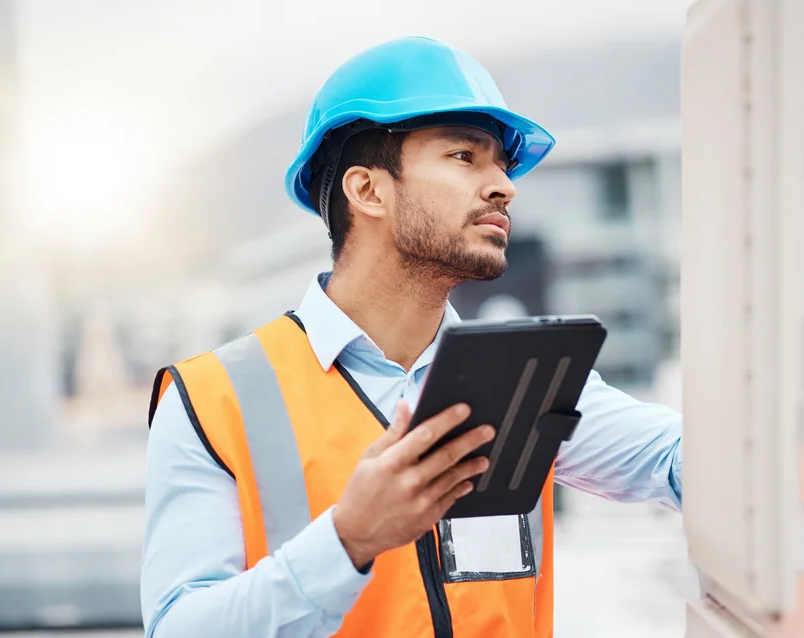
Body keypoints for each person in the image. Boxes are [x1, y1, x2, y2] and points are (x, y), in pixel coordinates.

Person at [141, 36, 683, 638]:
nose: (503, 185)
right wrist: (348, 540)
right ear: (367, 190)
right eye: (464, 157)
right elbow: (180, 629)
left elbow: (677, 460)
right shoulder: (212, 399)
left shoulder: (526, 380)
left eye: (501, 163)